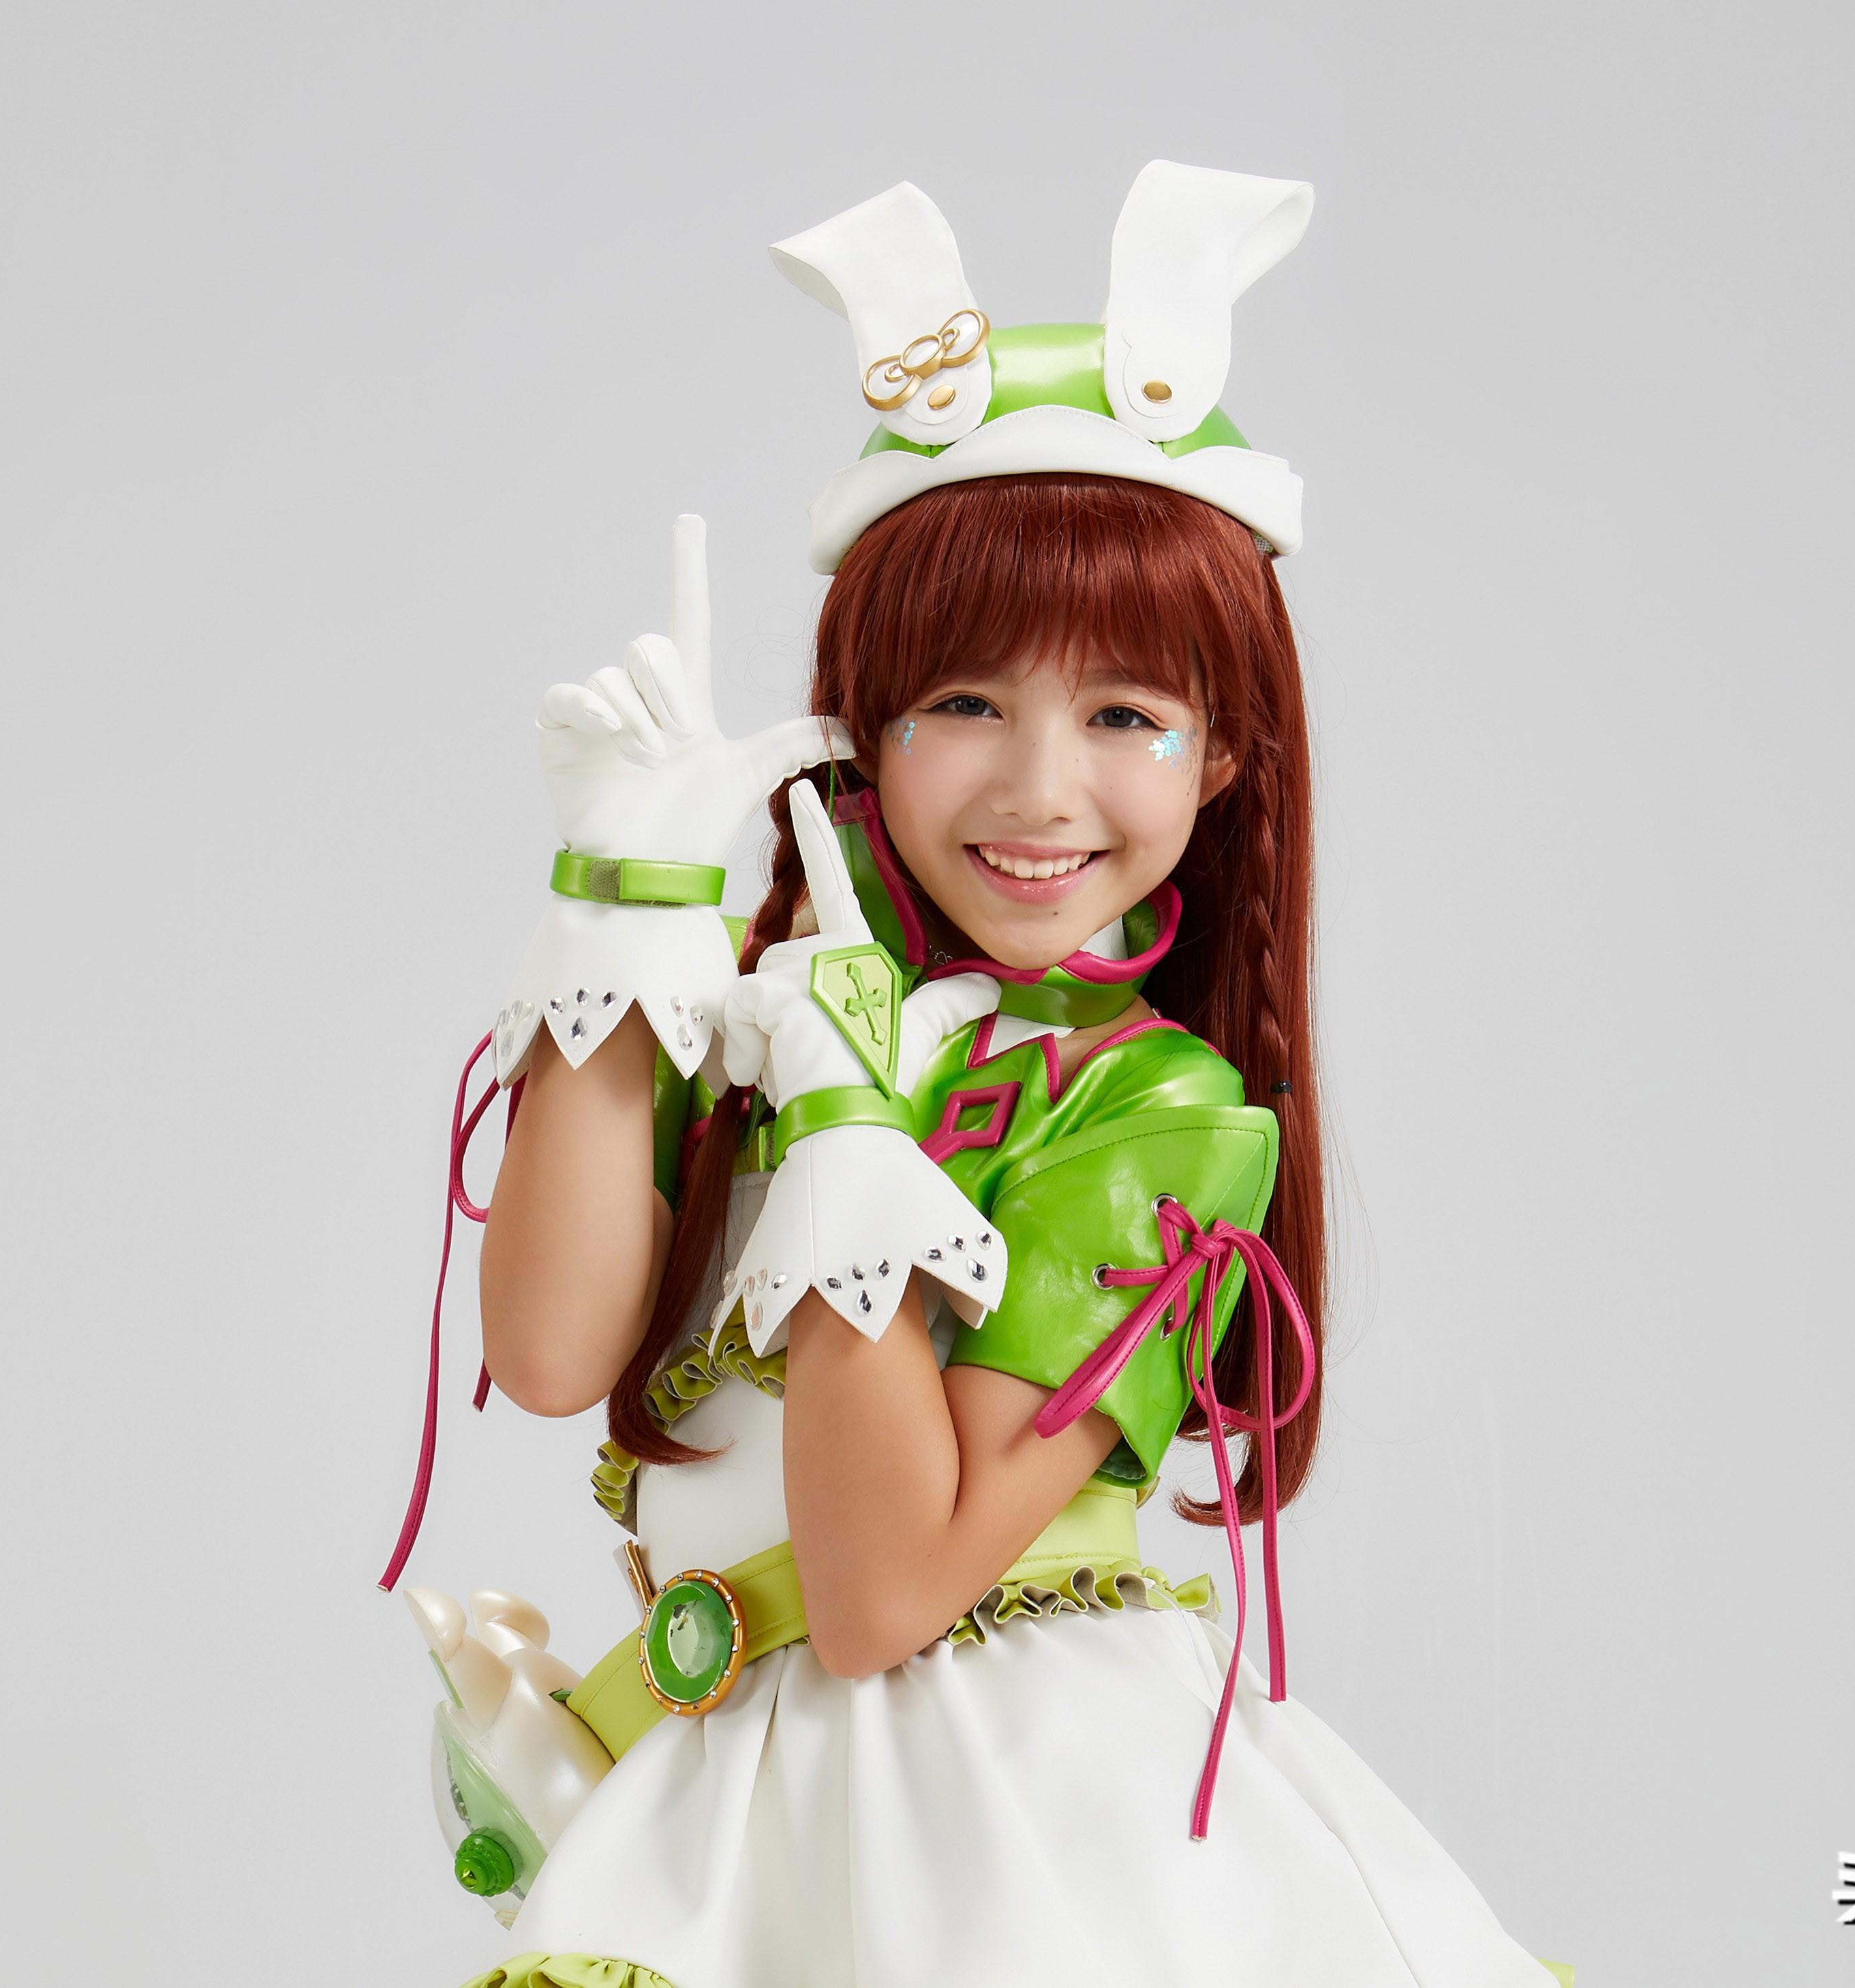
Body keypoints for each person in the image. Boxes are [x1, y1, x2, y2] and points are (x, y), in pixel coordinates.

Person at [385, 164, 1564, 1988]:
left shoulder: (1157, 1114)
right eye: (962, 704)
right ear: (862, 723)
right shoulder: (766, 1015)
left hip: (1023, 1843)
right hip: (738, 1818)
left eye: (1124, 715)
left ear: (1224, 755)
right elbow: (547, 1356)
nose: (1036, 789)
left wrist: (855, 1124)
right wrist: (625, 909)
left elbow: (877, 1597)